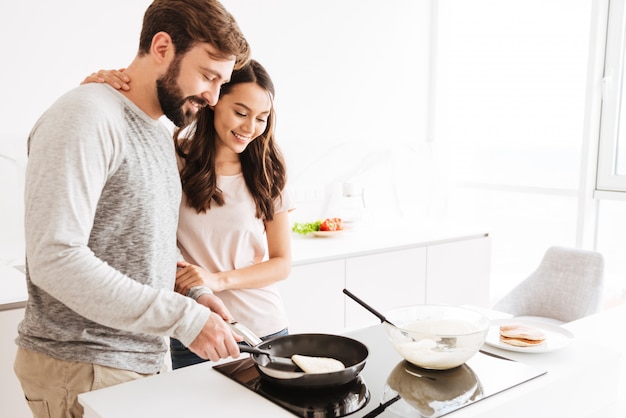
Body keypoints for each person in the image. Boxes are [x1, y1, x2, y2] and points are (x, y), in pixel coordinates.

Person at [14, 1, 250, 417]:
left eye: (221, 82)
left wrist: (192, 292)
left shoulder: (158, 135)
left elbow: (143, 238)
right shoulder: (85, 116)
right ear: (162, 48)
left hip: (134, 363)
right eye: (208, 76)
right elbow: (55, 257)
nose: (213, 97)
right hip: (84, 367)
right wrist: (183, 319)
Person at [85, 59, 295, 370]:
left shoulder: (268, 169)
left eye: (262, 118)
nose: (250, 128)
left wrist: (217, 280)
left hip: (263, 329)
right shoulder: (171, 157)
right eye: (240, 112)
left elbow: (281, 263)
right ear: (213, 101)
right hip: (194, 331)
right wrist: (96, 89)